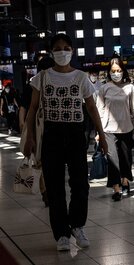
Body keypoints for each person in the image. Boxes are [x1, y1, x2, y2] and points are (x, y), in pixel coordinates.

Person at [23, 34, 108, 252]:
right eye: (58, 48)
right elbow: (32, 109)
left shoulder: (80, 77)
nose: (63, 51)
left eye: (67, 47)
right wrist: (30, 136)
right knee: (54, 185)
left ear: (73, 51)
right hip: (51, 133)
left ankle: (77, 225)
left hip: (75, 134)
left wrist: (102, 135)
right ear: (52, 52)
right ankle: (61, 232)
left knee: (80, 183)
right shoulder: (42, 77)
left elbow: (91, 107)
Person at [96, 58, 134, 202]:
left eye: (118, 71)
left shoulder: (130, 87)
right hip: (108, 130)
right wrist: (99, 132)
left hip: (126, 128)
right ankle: (116, 188)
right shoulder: (104, 89)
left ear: (123, 71)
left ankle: (125, 180)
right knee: (113, 159)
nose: (116, 73)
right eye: (113, 71)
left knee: (126, 157)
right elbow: (99, 111)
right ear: (109, 72)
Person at [18, 56, 55, 207]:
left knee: (41, 161)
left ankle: (45, 190)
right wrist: (23, 125)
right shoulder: (34, 85)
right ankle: (46, 191)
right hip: (40, 126)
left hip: (38, 126)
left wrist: (22, 124)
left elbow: (23, 108)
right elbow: (25, 107)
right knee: (41, 161)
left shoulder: (37, 84)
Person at [84, 70, 103, 147]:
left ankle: (97, 146)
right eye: (93, 74)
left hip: (97, 107)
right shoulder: (85, 83)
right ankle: (85, 146)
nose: (94, 76)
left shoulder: (100, 85)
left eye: (96, 75)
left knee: (97, 127)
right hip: (86, 107)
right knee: (87, 129)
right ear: (89, 74)